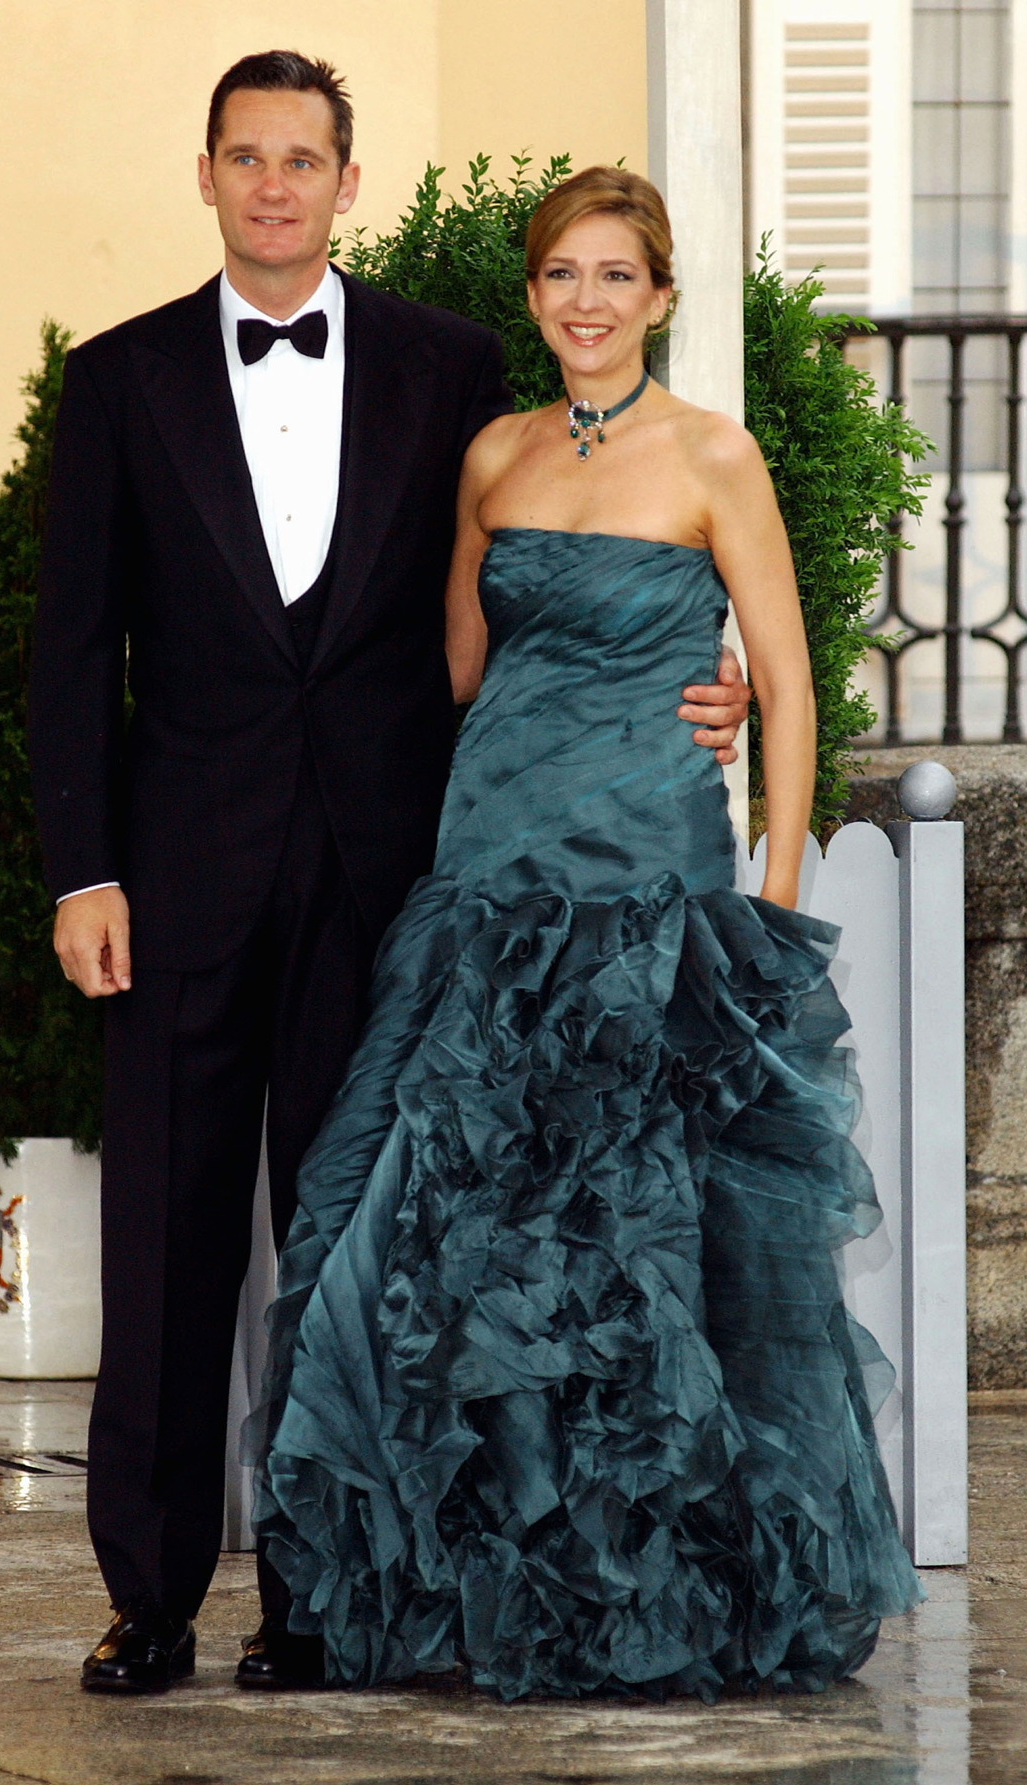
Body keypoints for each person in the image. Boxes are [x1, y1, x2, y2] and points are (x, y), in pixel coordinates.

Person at [27, 60, 749, 1695]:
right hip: (179, 887)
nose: (275, 186)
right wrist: (84, 871)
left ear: (349, 183)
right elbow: (72, 652)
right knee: (166, 1251)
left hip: (395, 880)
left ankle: (322, 1596)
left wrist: (717, 676)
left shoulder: (452, 367)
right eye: (246, 158)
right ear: (205, 175)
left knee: (360, 1251)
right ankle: (146, 1599)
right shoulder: (120, 381)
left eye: (305, 160)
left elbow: (584, 558)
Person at [247, 165, 923, 1701]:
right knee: (421, 1227)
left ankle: (645, 1592)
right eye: (563, 274)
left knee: (637, 1247)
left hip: (650, 888)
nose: (590, 302)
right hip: (487, 875)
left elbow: (791, 685)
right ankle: (465, 1586)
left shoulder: (716, 458)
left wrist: (771, 901)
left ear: (662, 298)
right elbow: (469, 670)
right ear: (536, 295)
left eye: (619, 276)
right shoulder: (492, 455)